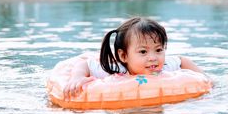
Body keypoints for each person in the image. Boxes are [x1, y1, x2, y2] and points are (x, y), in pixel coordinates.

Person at [63, 17, 203, 99]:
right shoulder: (116, 69)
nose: (153, 58)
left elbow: (181, 60)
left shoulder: (165, 66)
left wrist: (203, 77)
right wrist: (77, 77)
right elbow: (85, 64)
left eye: (159, 50)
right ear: (123, 56)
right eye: (143, 52)